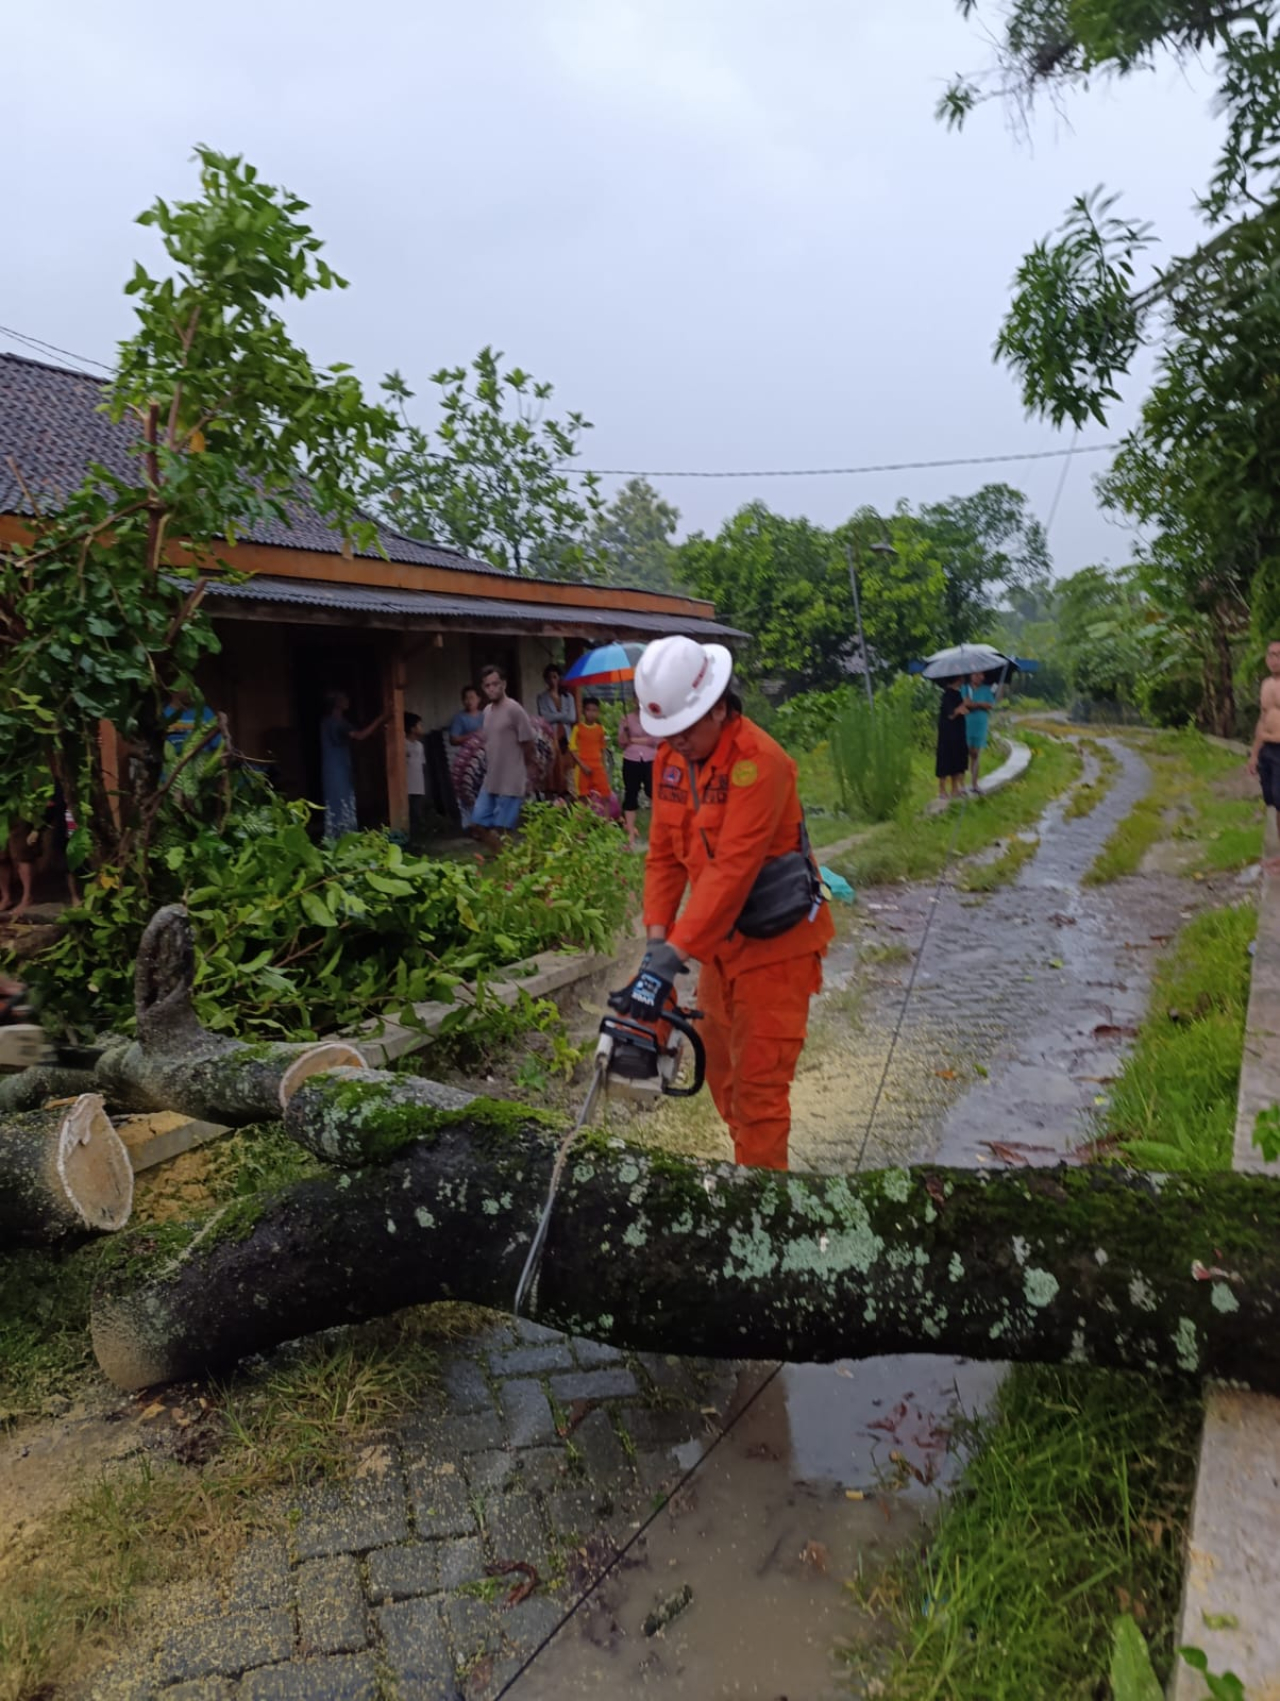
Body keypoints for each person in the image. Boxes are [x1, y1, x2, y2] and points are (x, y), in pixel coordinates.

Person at [619, 634, 834, 1172]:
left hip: (778, 947)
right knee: (724, 1078)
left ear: (718, 706)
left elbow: (733, 871)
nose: (677, 741)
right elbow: (663, 858)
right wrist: (655, 949)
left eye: (686, 729)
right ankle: (751, 1178)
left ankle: (765, 1206)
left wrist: (673, 956)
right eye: (667, 731)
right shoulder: (670, 761)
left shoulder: (762, 763)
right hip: (720, 948)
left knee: (760, 1093)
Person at [472, 664, 537, 852]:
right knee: (478, 823)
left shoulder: (514, 710)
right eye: (487, 685)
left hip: (511, 778)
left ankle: (505, 860)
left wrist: (529, 773)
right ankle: (505, 857)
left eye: (495, 684)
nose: (492, 689)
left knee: (503, 829)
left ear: (504, 684)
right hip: (491, 778)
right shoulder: (487, 712)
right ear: (483, 688)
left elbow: (528, 742)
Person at [320, 689, 389, 840]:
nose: (347, 700)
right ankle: (343, 835)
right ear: (336, 703)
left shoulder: (329, 722)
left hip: (333, 768)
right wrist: (381, 719)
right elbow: (360, 736)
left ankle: (336, 835)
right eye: (344, 698)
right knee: (342, 798)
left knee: (336, 799)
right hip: (338, 768)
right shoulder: (338, 723)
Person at [1248, 637, 1280, 873]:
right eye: (1271, 654)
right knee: (1274, 802)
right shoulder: (1266, 684)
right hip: (1267, 750)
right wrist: (1254, 754)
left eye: (1279, 655)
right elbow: (1262, 718)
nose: (1274, 659)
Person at [618, 693, 658, 850]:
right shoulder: (627, 718)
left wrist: (633, 740)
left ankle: (655, 833)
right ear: (633, 700)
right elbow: (622, 743)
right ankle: (630, 835)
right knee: (631, 793)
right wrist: (624, 730)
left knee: (653, 793)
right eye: (637, 698)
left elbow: (655, 740)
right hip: (631, 759)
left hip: (650, 759)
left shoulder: (653, 718)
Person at [537, 663, 577, 799]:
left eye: (555, 677)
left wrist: (556, 716)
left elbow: (572, 717)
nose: (552, 680)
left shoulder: (568, 697)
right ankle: (554, 792)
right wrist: (562, 715)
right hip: (552, 734)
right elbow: (544, 717)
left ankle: (568, 791)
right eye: (549, 677)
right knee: (554, 762)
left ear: (559, 678)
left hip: (566, 734)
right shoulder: (542, 697)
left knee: (568, 762)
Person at [961, 670, 1000, 793]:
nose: (978, 677)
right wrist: (979, 705)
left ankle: (974, 784)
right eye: (976, 674)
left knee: (976, 754)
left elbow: (990, 705)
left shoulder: (986, 689)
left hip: (980, 724)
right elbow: (965, 703)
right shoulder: (965, 688)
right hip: (966, 723)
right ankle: (961, 785)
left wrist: (976, 704)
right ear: (971, 675)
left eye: (981, 674)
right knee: (964, 753)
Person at [569, 696, 611, 803]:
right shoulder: (578, 728)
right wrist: (582, 765)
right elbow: (572, 749)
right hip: (583, 767)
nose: (591, 713)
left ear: (598, 712)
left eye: (594, 710)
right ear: (583, 711)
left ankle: (605, 815)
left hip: (598, 767)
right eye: (588, 710)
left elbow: (602, 749)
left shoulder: (600, 729)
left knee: (605, 795)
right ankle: (583, 815)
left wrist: (604, 768)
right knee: (582, 796)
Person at [935, 678, 969, 801]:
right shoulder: (947, 695)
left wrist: (965, 707)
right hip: (948, 733)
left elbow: (962, 711)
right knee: (946, 759)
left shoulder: (958, 693)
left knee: (957, 758)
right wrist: (962, 707)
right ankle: (942, 790)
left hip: (958, 732)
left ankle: (955, 788)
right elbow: (951, 714)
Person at [404, 712, 428, 847]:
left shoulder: (419, 745)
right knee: (409, 814)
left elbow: (422, 764)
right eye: (419, 725)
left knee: (417, 814)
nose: (421, 728)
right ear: (412, 728)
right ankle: (408, 841)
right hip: (406, 785)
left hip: (418, 784)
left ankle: (417, 841)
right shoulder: (403, 744)